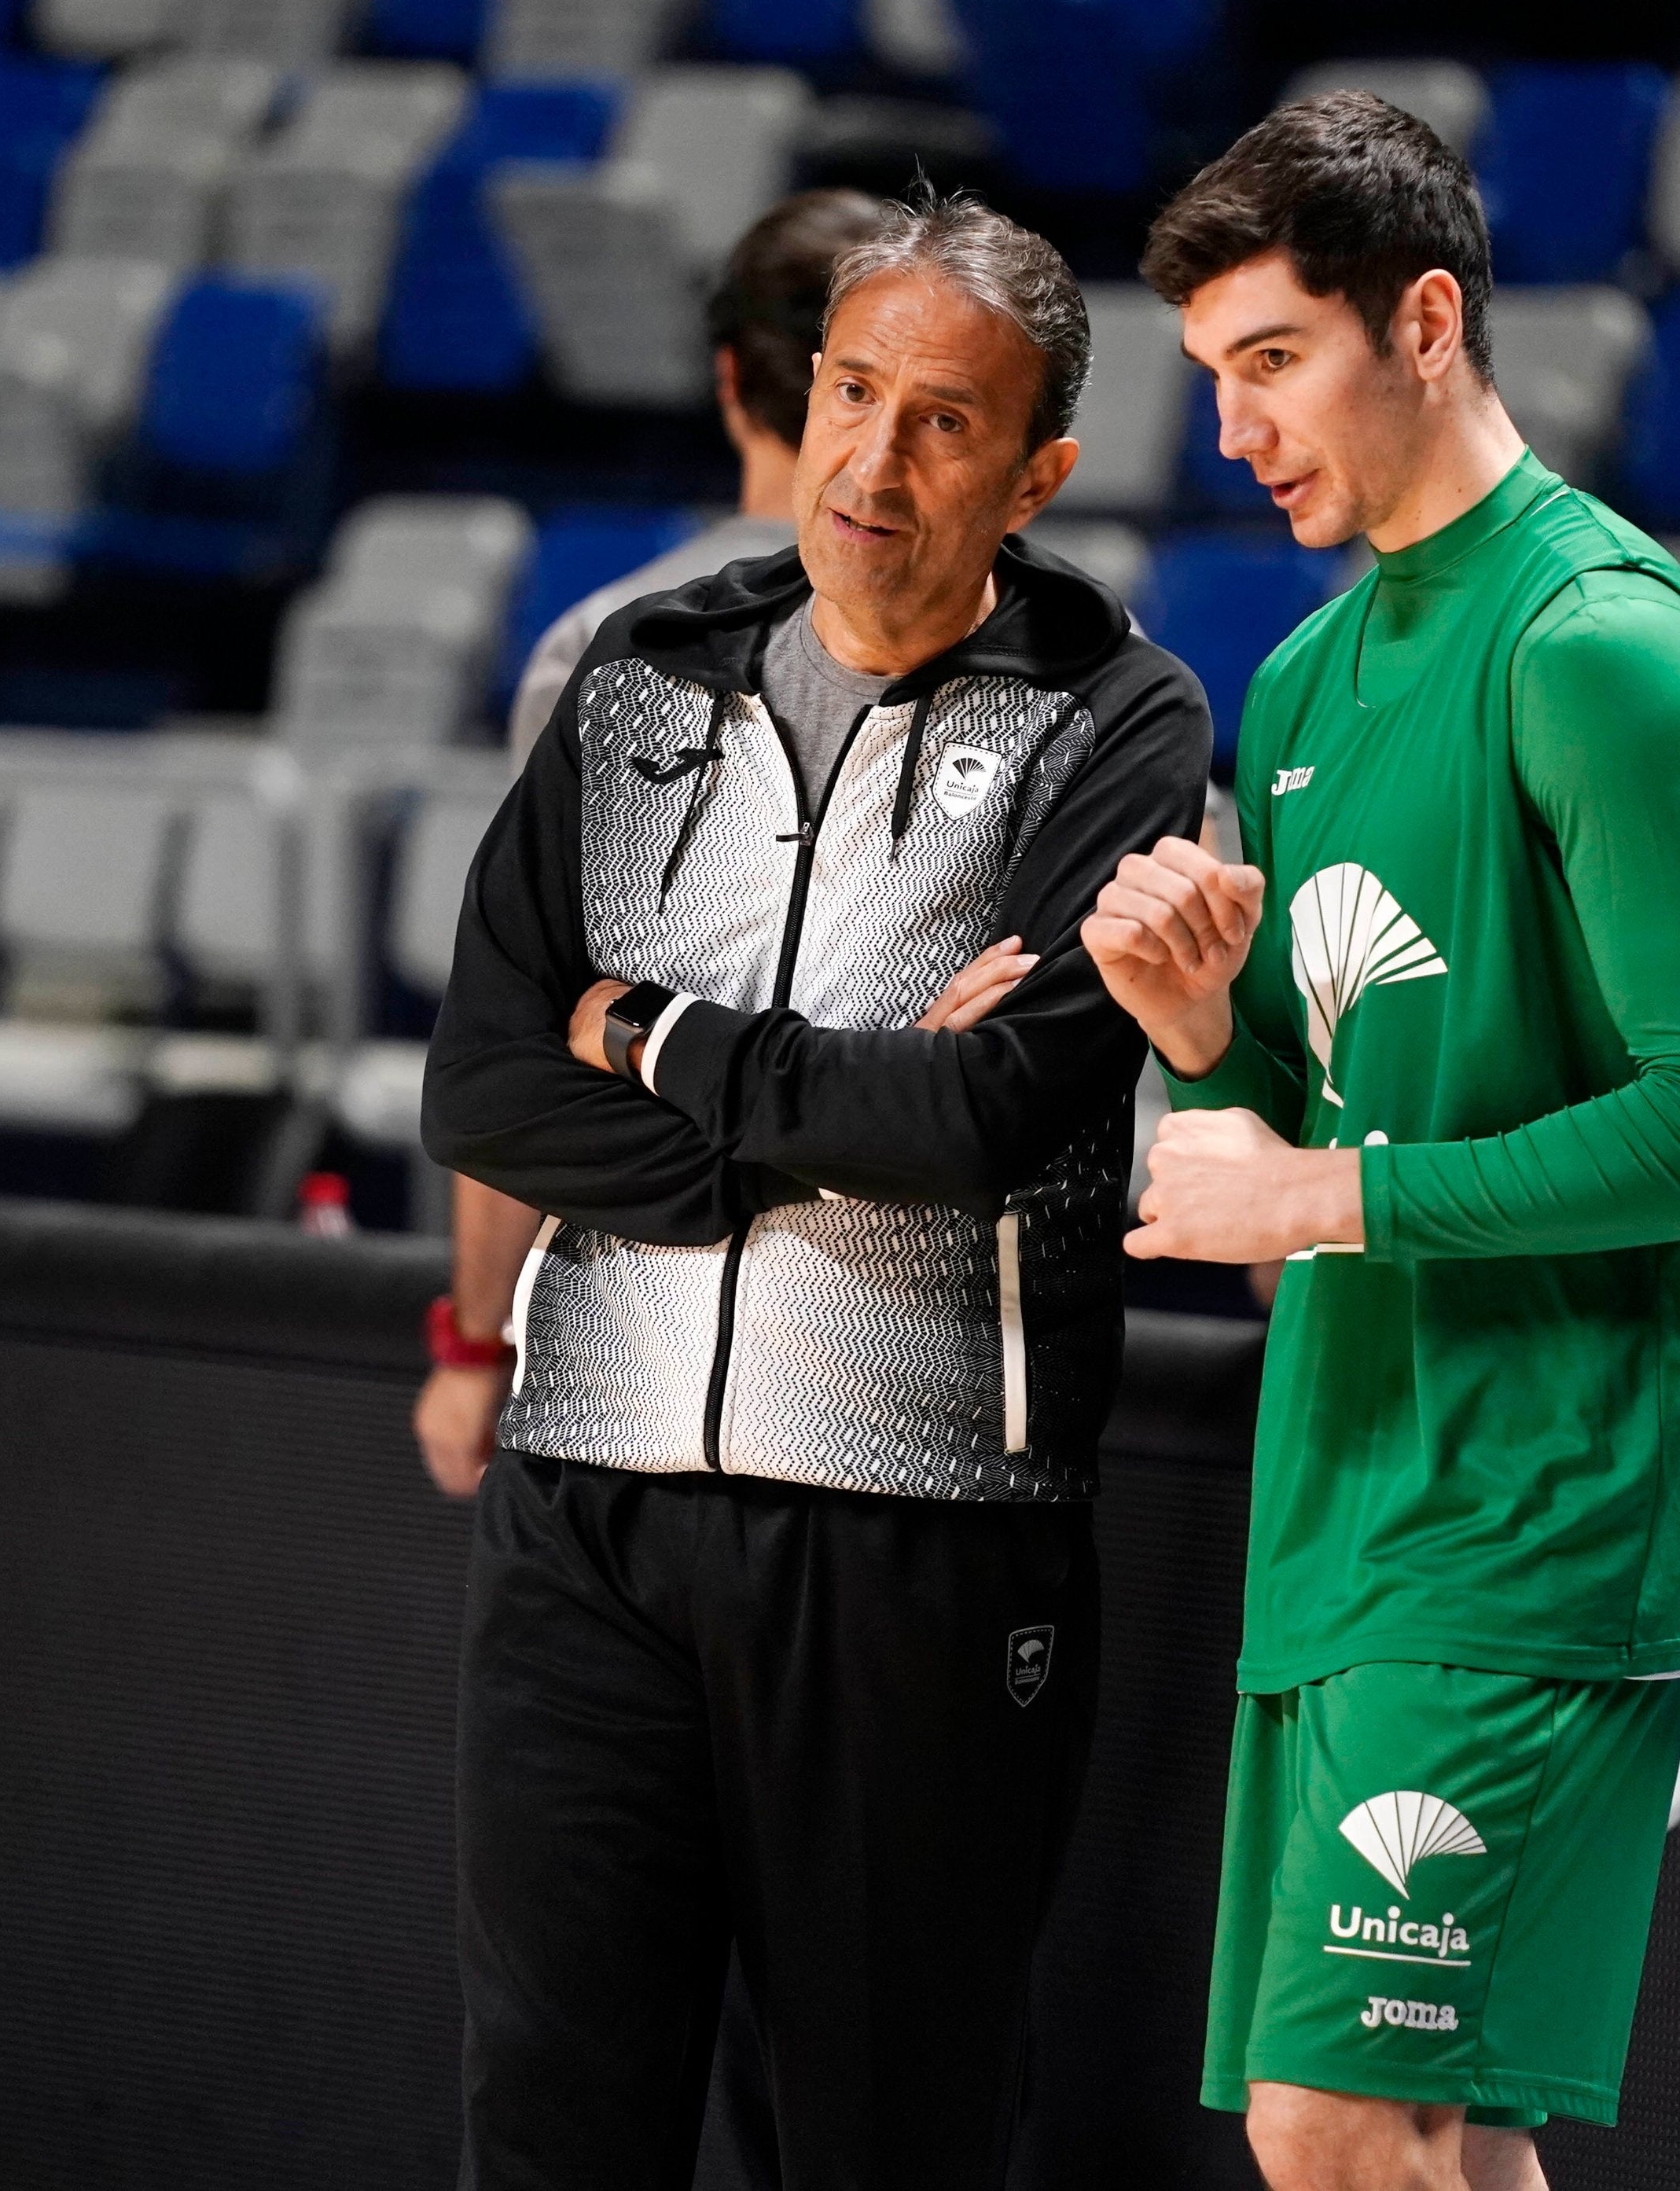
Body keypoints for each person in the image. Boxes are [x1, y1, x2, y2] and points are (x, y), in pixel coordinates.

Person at [421, 189, 1214, 2191]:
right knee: (551, 2119)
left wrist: (655, 1035)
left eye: (941, 421)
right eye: (852, 392)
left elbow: (987, 1124)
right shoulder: (638, 673)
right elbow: (483, 1082)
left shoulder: (1116, 719)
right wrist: (807, 1132)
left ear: (1034, 469)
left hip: (917, 1535)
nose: (871, 457)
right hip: (583, 1502)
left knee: (879, 2138)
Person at [1086, 94, 1680, 2191]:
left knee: (1339, 2117)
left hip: (1548, 1504)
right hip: (1357, 1491)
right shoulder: (1308, 677)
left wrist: (1322, 1183)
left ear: (1425, 319)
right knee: (1430, 2129)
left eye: (1271, 361)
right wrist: (1203, 1041)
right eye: (1211, 374)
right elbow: (1311, 1164)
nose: (1230, 429)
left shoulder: (1602, 647)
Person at [417, 186, 890, 1498]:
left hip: (643, 1345)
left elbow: (520, 1020)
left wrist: (475, 1335)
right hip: (948, 1353)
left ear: (733, 380)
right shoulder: (1085, 657)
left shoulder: (603, 644)